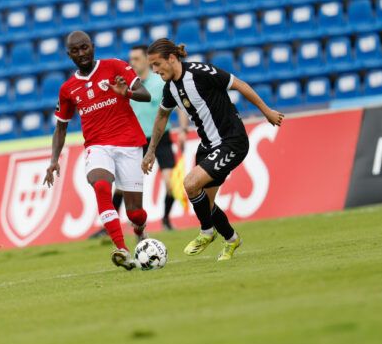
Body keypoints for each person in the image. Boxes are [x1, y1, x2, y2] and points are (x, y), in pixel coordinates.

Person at [142, 39, 284, 261]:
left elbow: (240, 85)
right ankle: (231, 239)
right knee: (205, 204)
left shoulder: (200, 72)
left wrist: (266, 111)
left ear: (171, 58)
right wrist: (151, 151)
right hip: (207, 146)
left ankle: (207, 231)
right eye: (152, 65)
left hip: (231, 141)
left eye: (157, 64)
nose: (154, 70)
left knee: (190, 183)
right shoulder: (170, 88)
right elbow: (161, 116)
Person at [43, 31, 152, 270]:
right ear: (69, 55)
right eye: (75, 50)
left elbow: (146, 95)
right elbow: (60, 127)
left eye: (85, 47)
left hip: (129, 143)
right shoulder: (68, 89)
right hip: (97, 145)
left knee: (136, 213)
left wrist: (127, 93)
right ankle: (122, 250)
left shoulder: (115, 66)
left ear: (92, 46)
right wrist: (53, 160)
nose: (81, 53)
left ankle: (140, 232)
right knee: (101, 186)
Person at [114, 44, 189, 231]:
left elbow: (180, 106)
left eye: (136, 59)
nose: (132, 63)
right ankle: (110, 226)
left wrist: (183, 130)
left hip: (160, 139)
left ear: (147, 61)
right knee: (122, 186)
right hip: (135, 141)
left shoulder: (160, 82)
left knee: (170, 183)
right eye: (131, 59)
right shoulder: (127, 84)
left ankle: (166, 220)